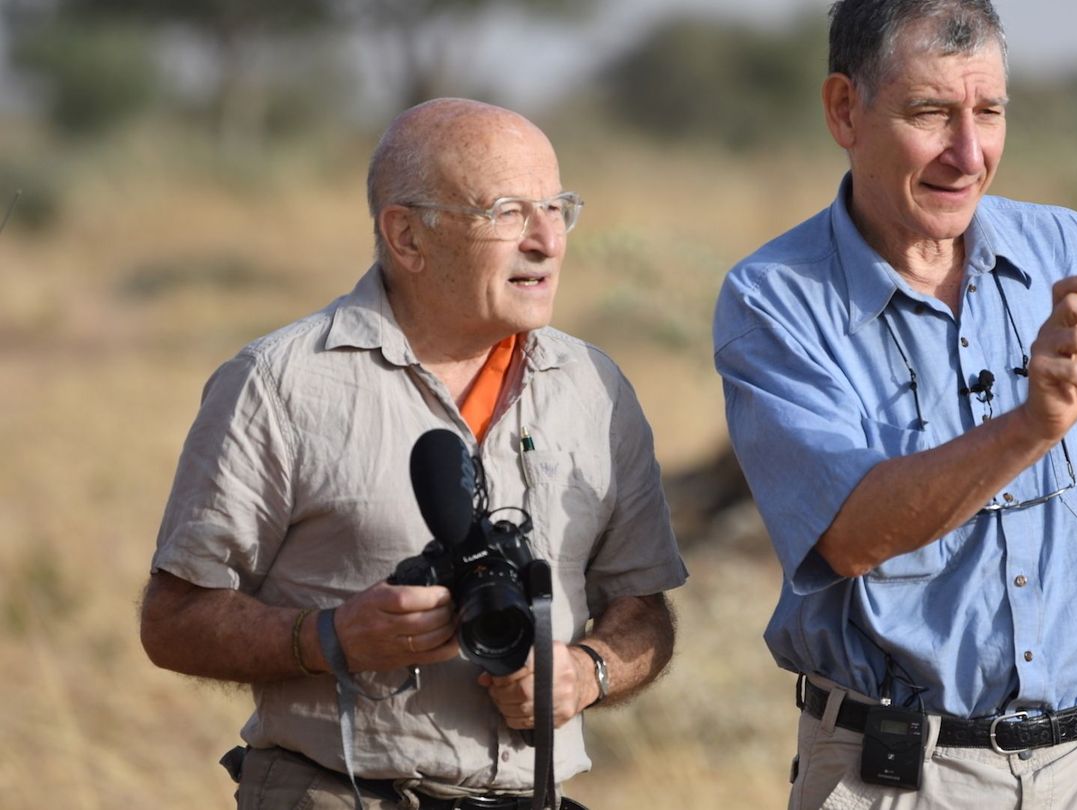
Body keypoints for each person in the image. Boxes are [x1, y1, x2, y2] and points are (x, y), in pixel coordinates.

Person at [712, 2, 1077, 808]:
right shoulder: (775, 300)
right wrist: (1033, 424)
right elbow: (852, 537)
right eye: (931, 113)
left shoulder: (1073, 252)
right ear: (844, 110)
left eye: (988, 112)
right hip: (896, 781)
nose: (969, 154)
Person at [140, 98, 688, 809]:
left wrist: (586, 673)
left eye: (557, 207)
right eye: (508, 211)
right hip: (336, 794)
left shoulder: (596, 388)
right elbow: (173, 618)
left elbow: (644, 608)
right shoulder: (279, 383)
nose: (547, 240)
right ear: (406, 236)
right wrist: (331, 636)